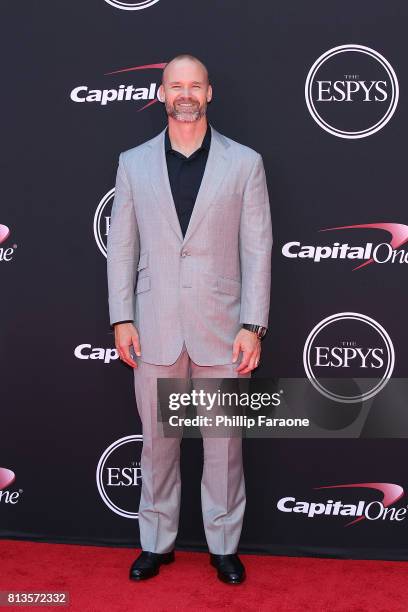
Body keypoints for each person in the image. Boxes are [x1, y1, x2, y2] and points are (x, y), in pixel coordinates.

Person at [107, 54, 272, 584]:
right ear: (161, 93)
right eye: (175, 85)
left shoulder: (244, 163)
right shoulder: (132, 164)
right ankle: (156, 542)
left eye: (194, 86)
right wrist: (121, 317)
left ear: (209, 93)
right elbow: (122, 248)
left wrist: (254, 324)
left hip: (224, 330)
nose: (185, 94)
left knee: (224, 449)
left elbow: (258, 248)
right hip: (153, 326)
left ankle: (223, 545)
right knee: (157, 445)